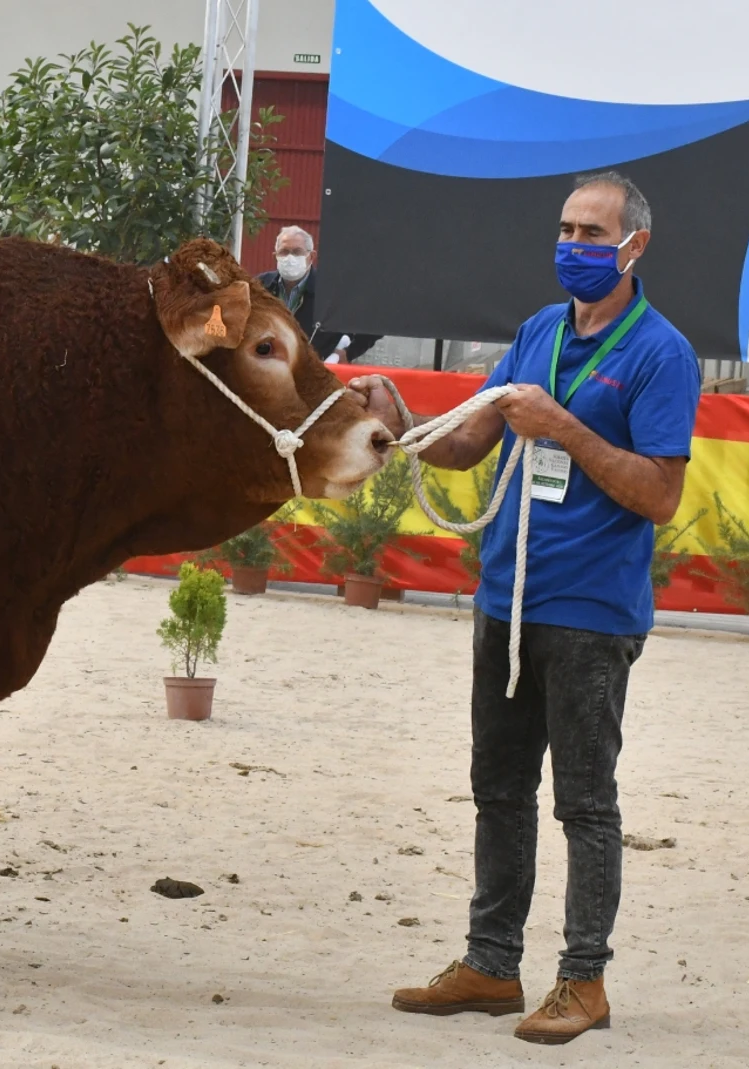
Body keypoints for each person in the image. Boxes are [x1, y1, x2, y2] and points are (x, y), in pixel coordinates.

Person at [357, 171, 701, 1045]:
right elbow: (472, 440)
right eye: (566, 228)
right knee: (498, 788)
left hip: (591, 612)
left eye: (592, 232)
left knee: (585, 803)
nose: (574, 244)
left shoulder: (661, 354)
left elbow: (659, 495)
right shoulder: (538, 331)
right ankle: (491, 963)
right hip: (506, 601)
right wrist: (401, 420)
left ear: (635, 246)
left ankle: (584, 981)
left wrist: (567, 430)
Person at [256, 226, 378, 362]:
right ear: (276, 256)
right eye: (284, 252)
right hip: (271, 369)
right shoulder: (260, 285)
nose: (290, 258)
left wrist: (348, 353)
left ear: (311, 256)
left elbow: (375, 323)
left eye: (297, 252)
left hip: (315, 372)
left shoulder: (331, 290)